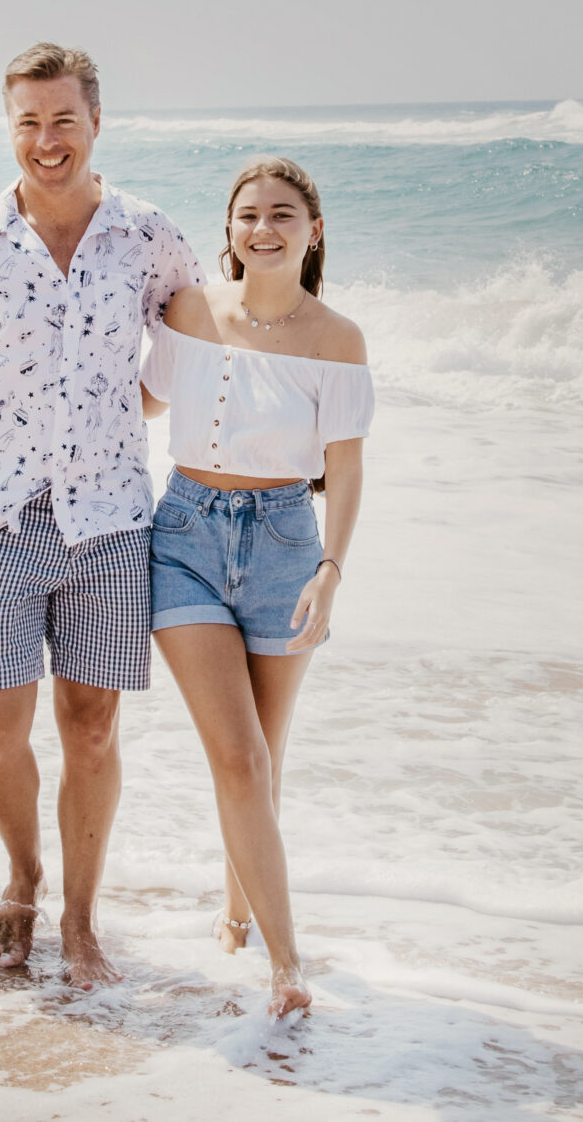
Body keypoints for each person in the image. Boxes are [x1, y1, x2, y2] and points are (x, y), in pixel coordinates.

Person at [0, 42, 200, 987]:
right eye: (27, 121)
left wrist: (127, 412)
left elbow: (185, 358)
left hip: (110, 516)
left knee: (92, 727)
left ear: (96, 122)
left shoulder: (150, 235)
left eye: (63, 118)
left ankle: (76, 915)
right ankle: (22, 878)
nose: (46, 140)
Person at [142, 156, 372, 1019]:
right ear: (229, 230)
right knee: (237, 754)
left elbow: (346, 468)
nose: (263, 228)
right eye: (247, 215)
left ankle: (236, 902)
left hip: (285, 545)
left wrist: (331, 570)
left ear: (313, 231)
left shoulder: (338, 338)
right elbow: (136, 401)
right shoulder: (190, 310)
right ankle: (286, 963)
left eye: (283, 213)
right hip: (185, 540)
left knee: (263, 762)